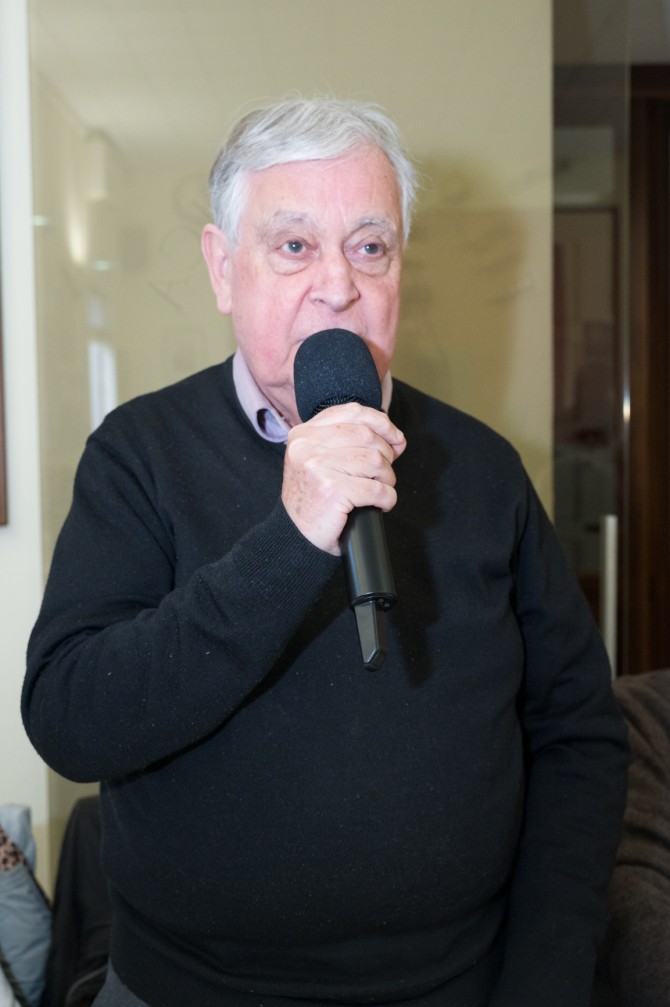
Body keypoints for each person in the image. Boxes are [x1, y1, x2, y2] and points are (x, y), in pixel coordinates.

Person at [22, 96, 629, 1007]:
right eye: (295, 245)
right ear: (223, 268)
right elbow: (71, 717)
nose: (338, 285)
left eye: (370, 246)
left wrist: (545, 978)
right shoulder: (139, 455)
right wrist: (293, 539)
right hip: (189, 988)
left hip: (454, 984)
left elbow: (578, 734)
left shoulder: (485, 468)